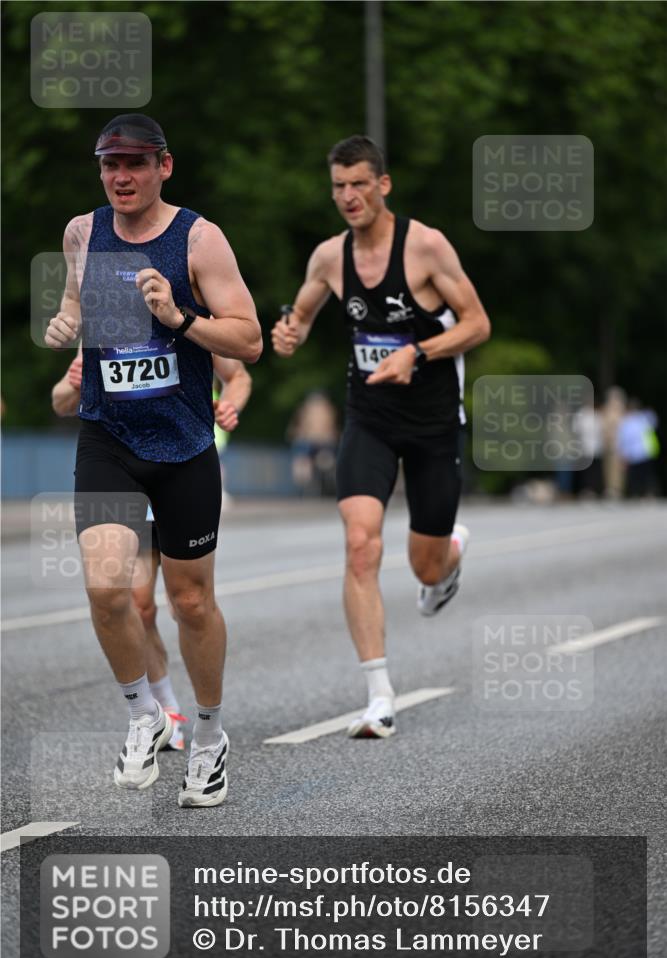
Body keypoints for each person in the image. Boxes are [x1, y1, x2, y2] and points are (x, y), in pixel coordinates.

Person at [45, 113, 261, 807]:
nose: (121, 177)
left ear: (164, 166)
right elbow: (78, 312)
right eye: (110, 164)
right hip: (108, 438)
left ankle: (209, 735)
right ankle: (144, 714)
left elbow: (250, 340)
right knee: (109, 590)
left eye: (135, 164)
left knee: (190, 602)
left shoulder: (198, 238)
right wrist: (65, 328)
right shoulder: (83, 232)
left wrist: (178, 318)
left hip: (186, 445)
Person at [272, 135, 490, 738]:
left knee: (423, 565)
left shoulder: (424, 246)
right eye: (339, 185)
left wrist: (416, 353)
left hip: (433, 422)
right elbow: (302, 315)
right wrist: (288, 333)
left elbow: (477, 323)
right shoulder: (329, 258)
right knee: (361, 545)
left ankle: (447, 560)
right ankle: (379, 696)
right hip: (369, 417)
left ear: (383, 184)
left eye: (360, 184)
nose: (348, 196)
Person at [51, 351, 253, 751]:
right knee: (139, 604)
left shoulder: (185, 310)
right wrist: (72, 383)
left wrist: (230, 404)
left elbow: (239, 373)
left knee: (189, 603)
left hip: (183, 463)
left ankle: (207, 724)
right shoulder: (105, 318)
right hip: (125, 472)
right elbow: (61, 401)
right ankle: (165, 711)